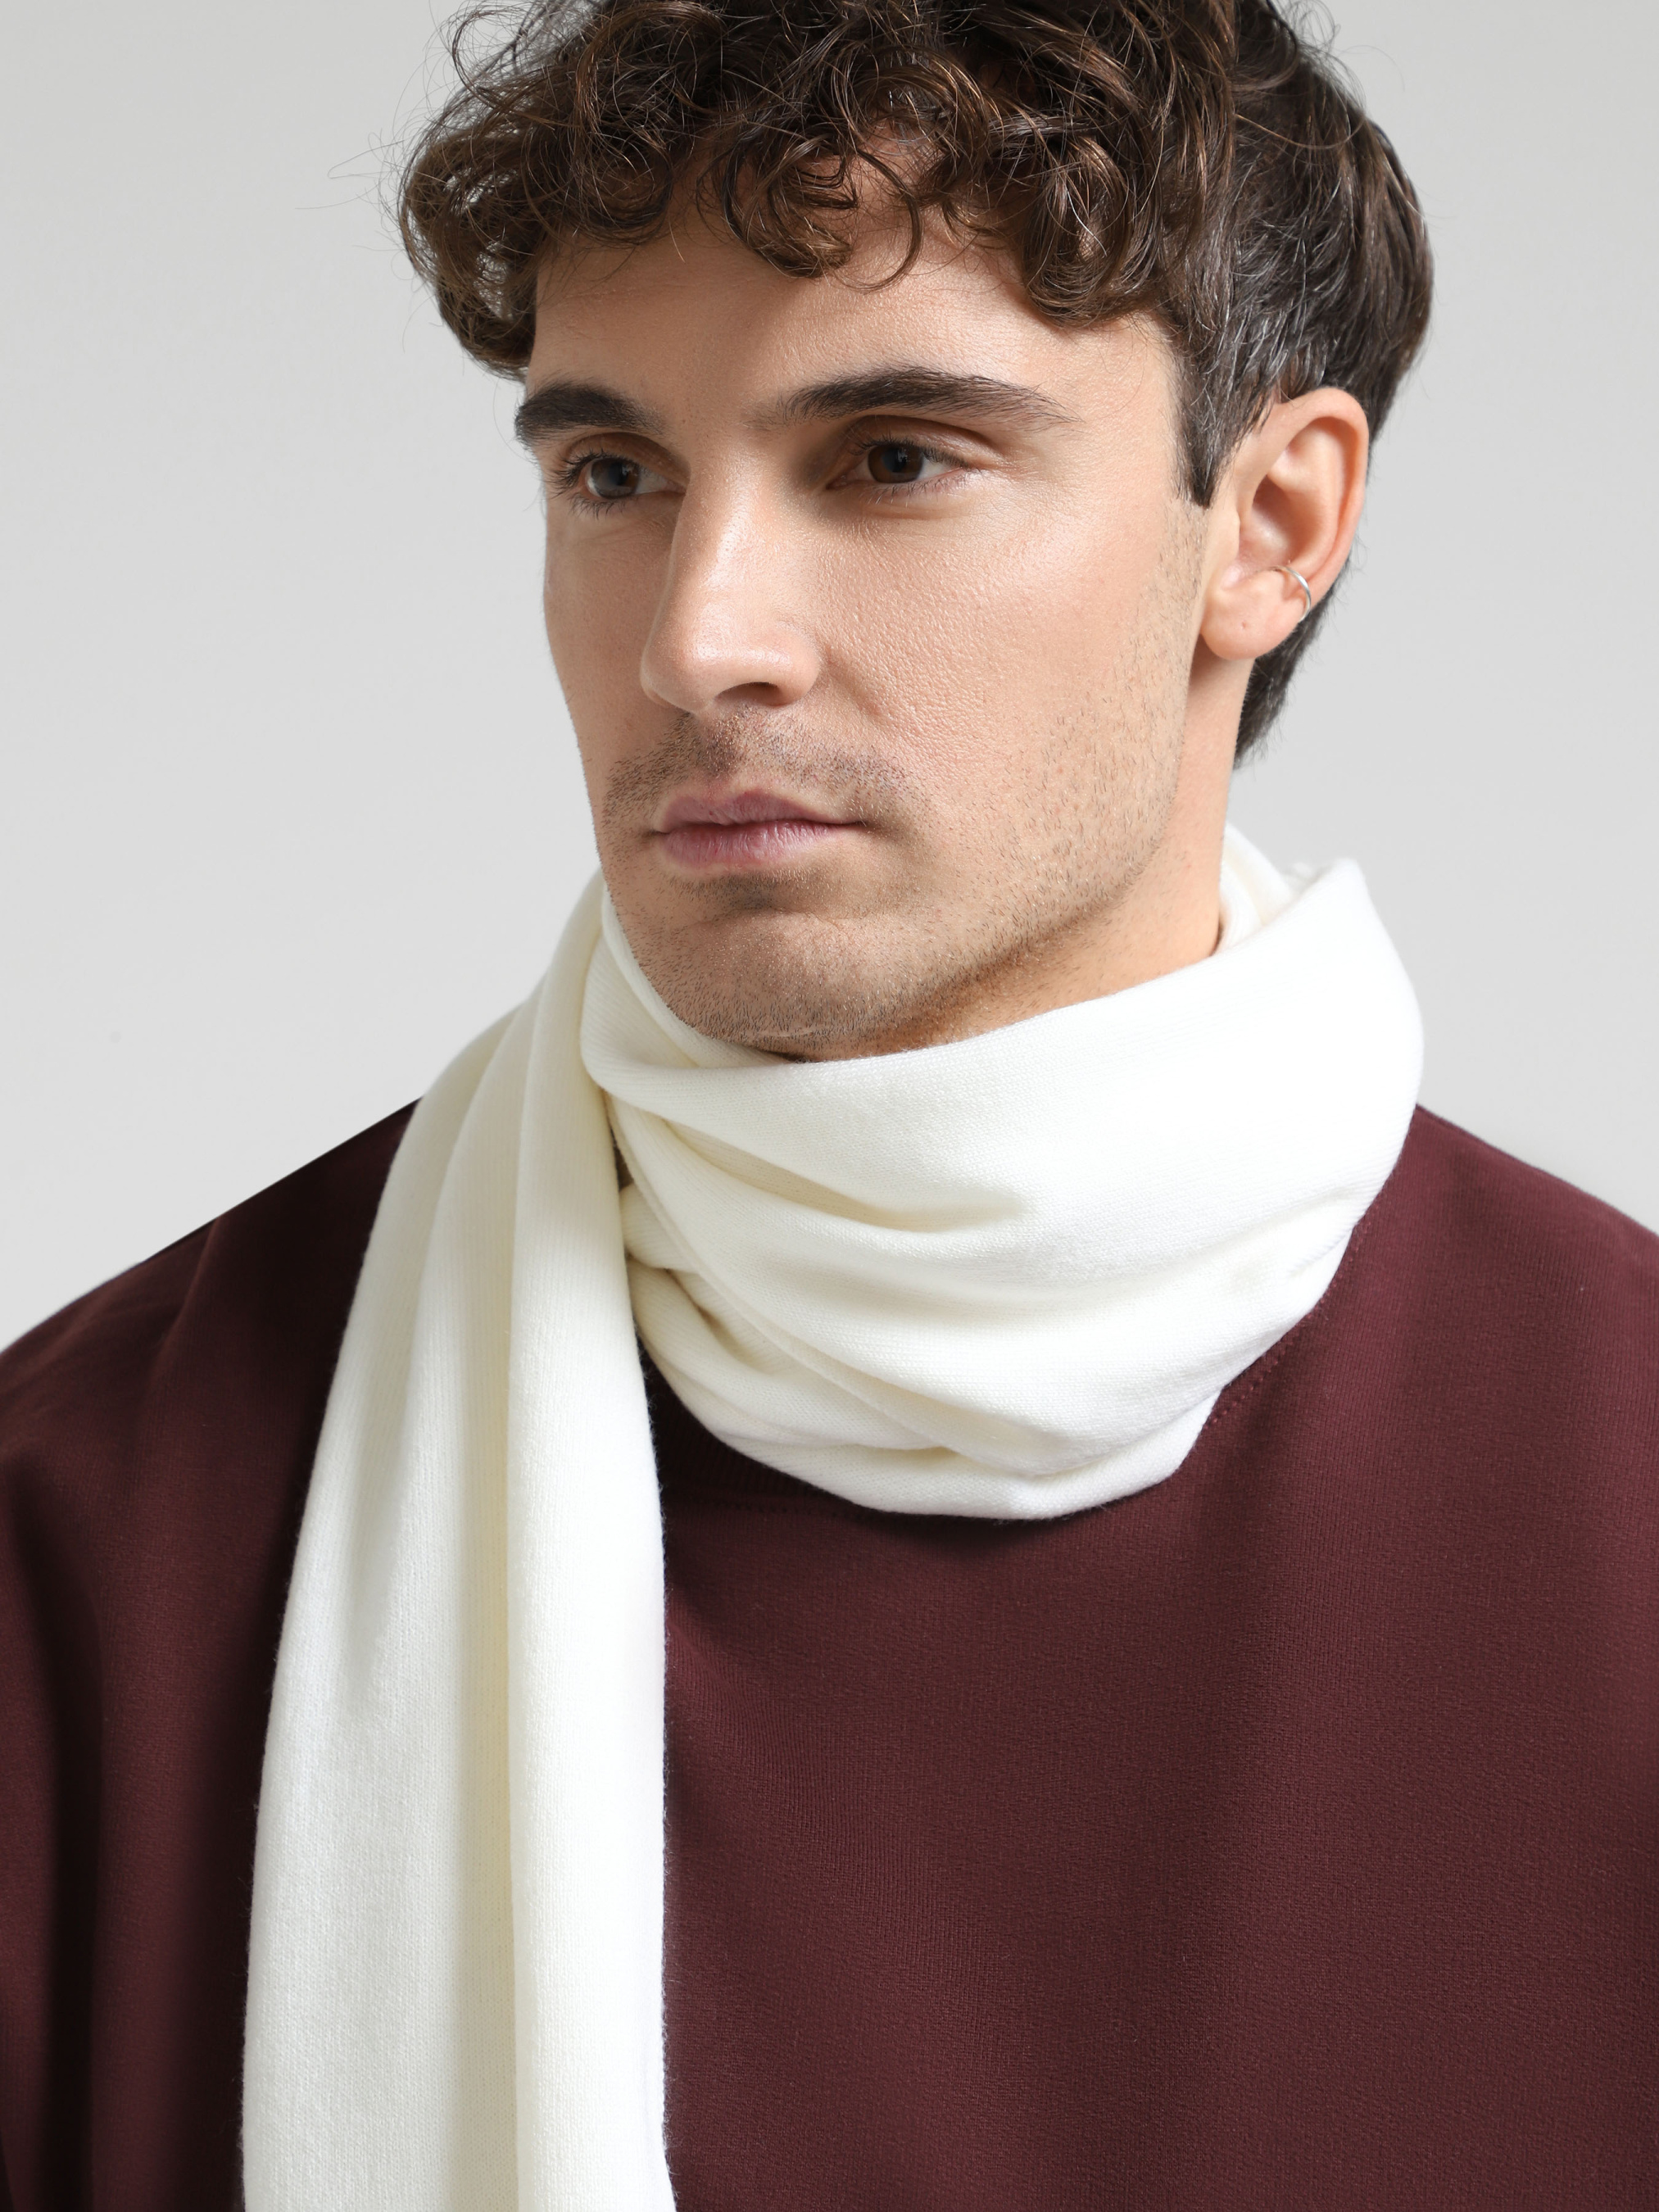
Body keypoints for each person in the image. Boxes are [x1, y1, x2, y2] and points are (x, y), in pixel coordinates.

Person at [2, 0, 1654, 2204]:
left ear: (1270, 521)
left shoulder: (1626, 1484)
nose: (698, 640)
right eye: (613, 474)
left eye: (891, 459)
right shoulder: (87, 1533)